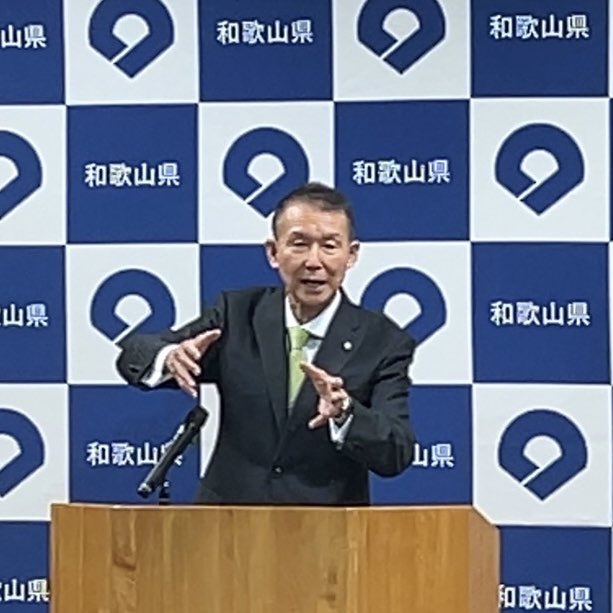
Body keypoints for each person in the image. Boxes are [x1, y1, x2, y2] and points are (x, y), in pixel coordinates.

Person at [116, 182, 416, 505]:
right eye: (299, 244)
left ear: (351, 254)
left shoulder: (383, 341)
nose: (314, 261)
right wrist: (169, 355)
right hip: (228, 522)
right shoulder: (237, 314)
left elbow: (396, 452)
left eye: (329, 246)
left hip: (326, 527)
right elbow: (133, 356)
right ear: (273, 252)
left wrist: (346, 413)